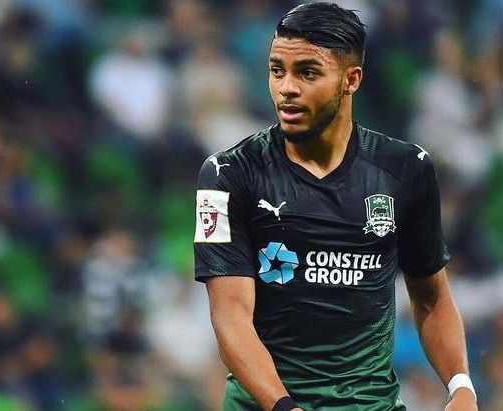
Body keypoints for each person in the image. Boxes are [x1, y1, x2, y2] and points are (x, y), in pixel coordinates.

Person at [192, 3, 478, 411]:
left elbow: (431, 299)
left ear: (351, 79)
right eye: (277, 70)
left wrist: (461, 386)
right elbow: (230, 316)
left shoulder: (406, 169)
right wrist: (284, 407)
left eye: (307, 73)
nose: (286, 88)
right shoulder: (228, 173)